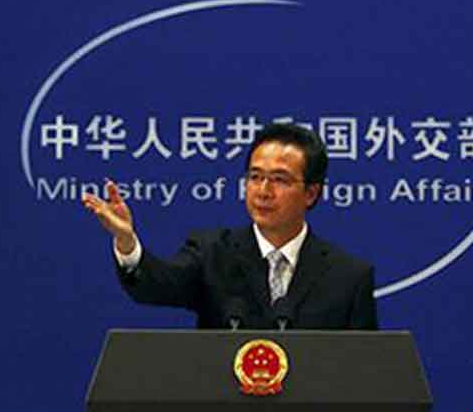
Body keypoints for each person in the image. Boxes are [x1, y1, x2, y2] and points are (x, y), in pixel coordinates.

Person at [82, 123, 378, 329]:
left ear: (311, 193)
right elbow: (156, 286)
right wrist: (127, 242)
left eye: (279, 180)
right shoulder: (212, 253)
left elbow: (364, 372)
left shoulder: (348, 278)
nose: (263, 191)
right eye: (255, 177)